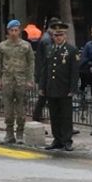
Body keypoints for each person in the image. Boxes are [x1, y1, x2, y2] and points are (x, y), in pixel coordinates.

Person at [37, 18, 80, 151]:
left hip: (64, 88)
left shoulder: (71, 50)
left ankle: (67, 140)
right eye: (56, 35)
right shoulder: (49, 49)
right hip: (51, 88)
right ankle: (57, 139)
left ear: (65, 36)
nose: (58, 37)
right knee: (54, 116)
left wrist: (73, 88)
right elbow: (45, 69)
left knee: (65, 116)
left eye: (60, 35)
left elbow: (74, 72)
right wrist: (42, 86)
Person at [0, 19, 37, 143]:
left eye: (16, 30)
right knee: (8, 110)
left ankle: (20, 134)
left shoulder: (25, 46)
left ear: (19, 31)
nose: (14, 33)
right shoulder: (3, 46)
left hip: (21, 81)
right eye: (11, 30)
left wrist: (30, 80)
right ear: (8, 31)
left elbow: (31, 63)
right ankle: (9, 134)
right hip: (7, 81)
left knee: (21, 110)